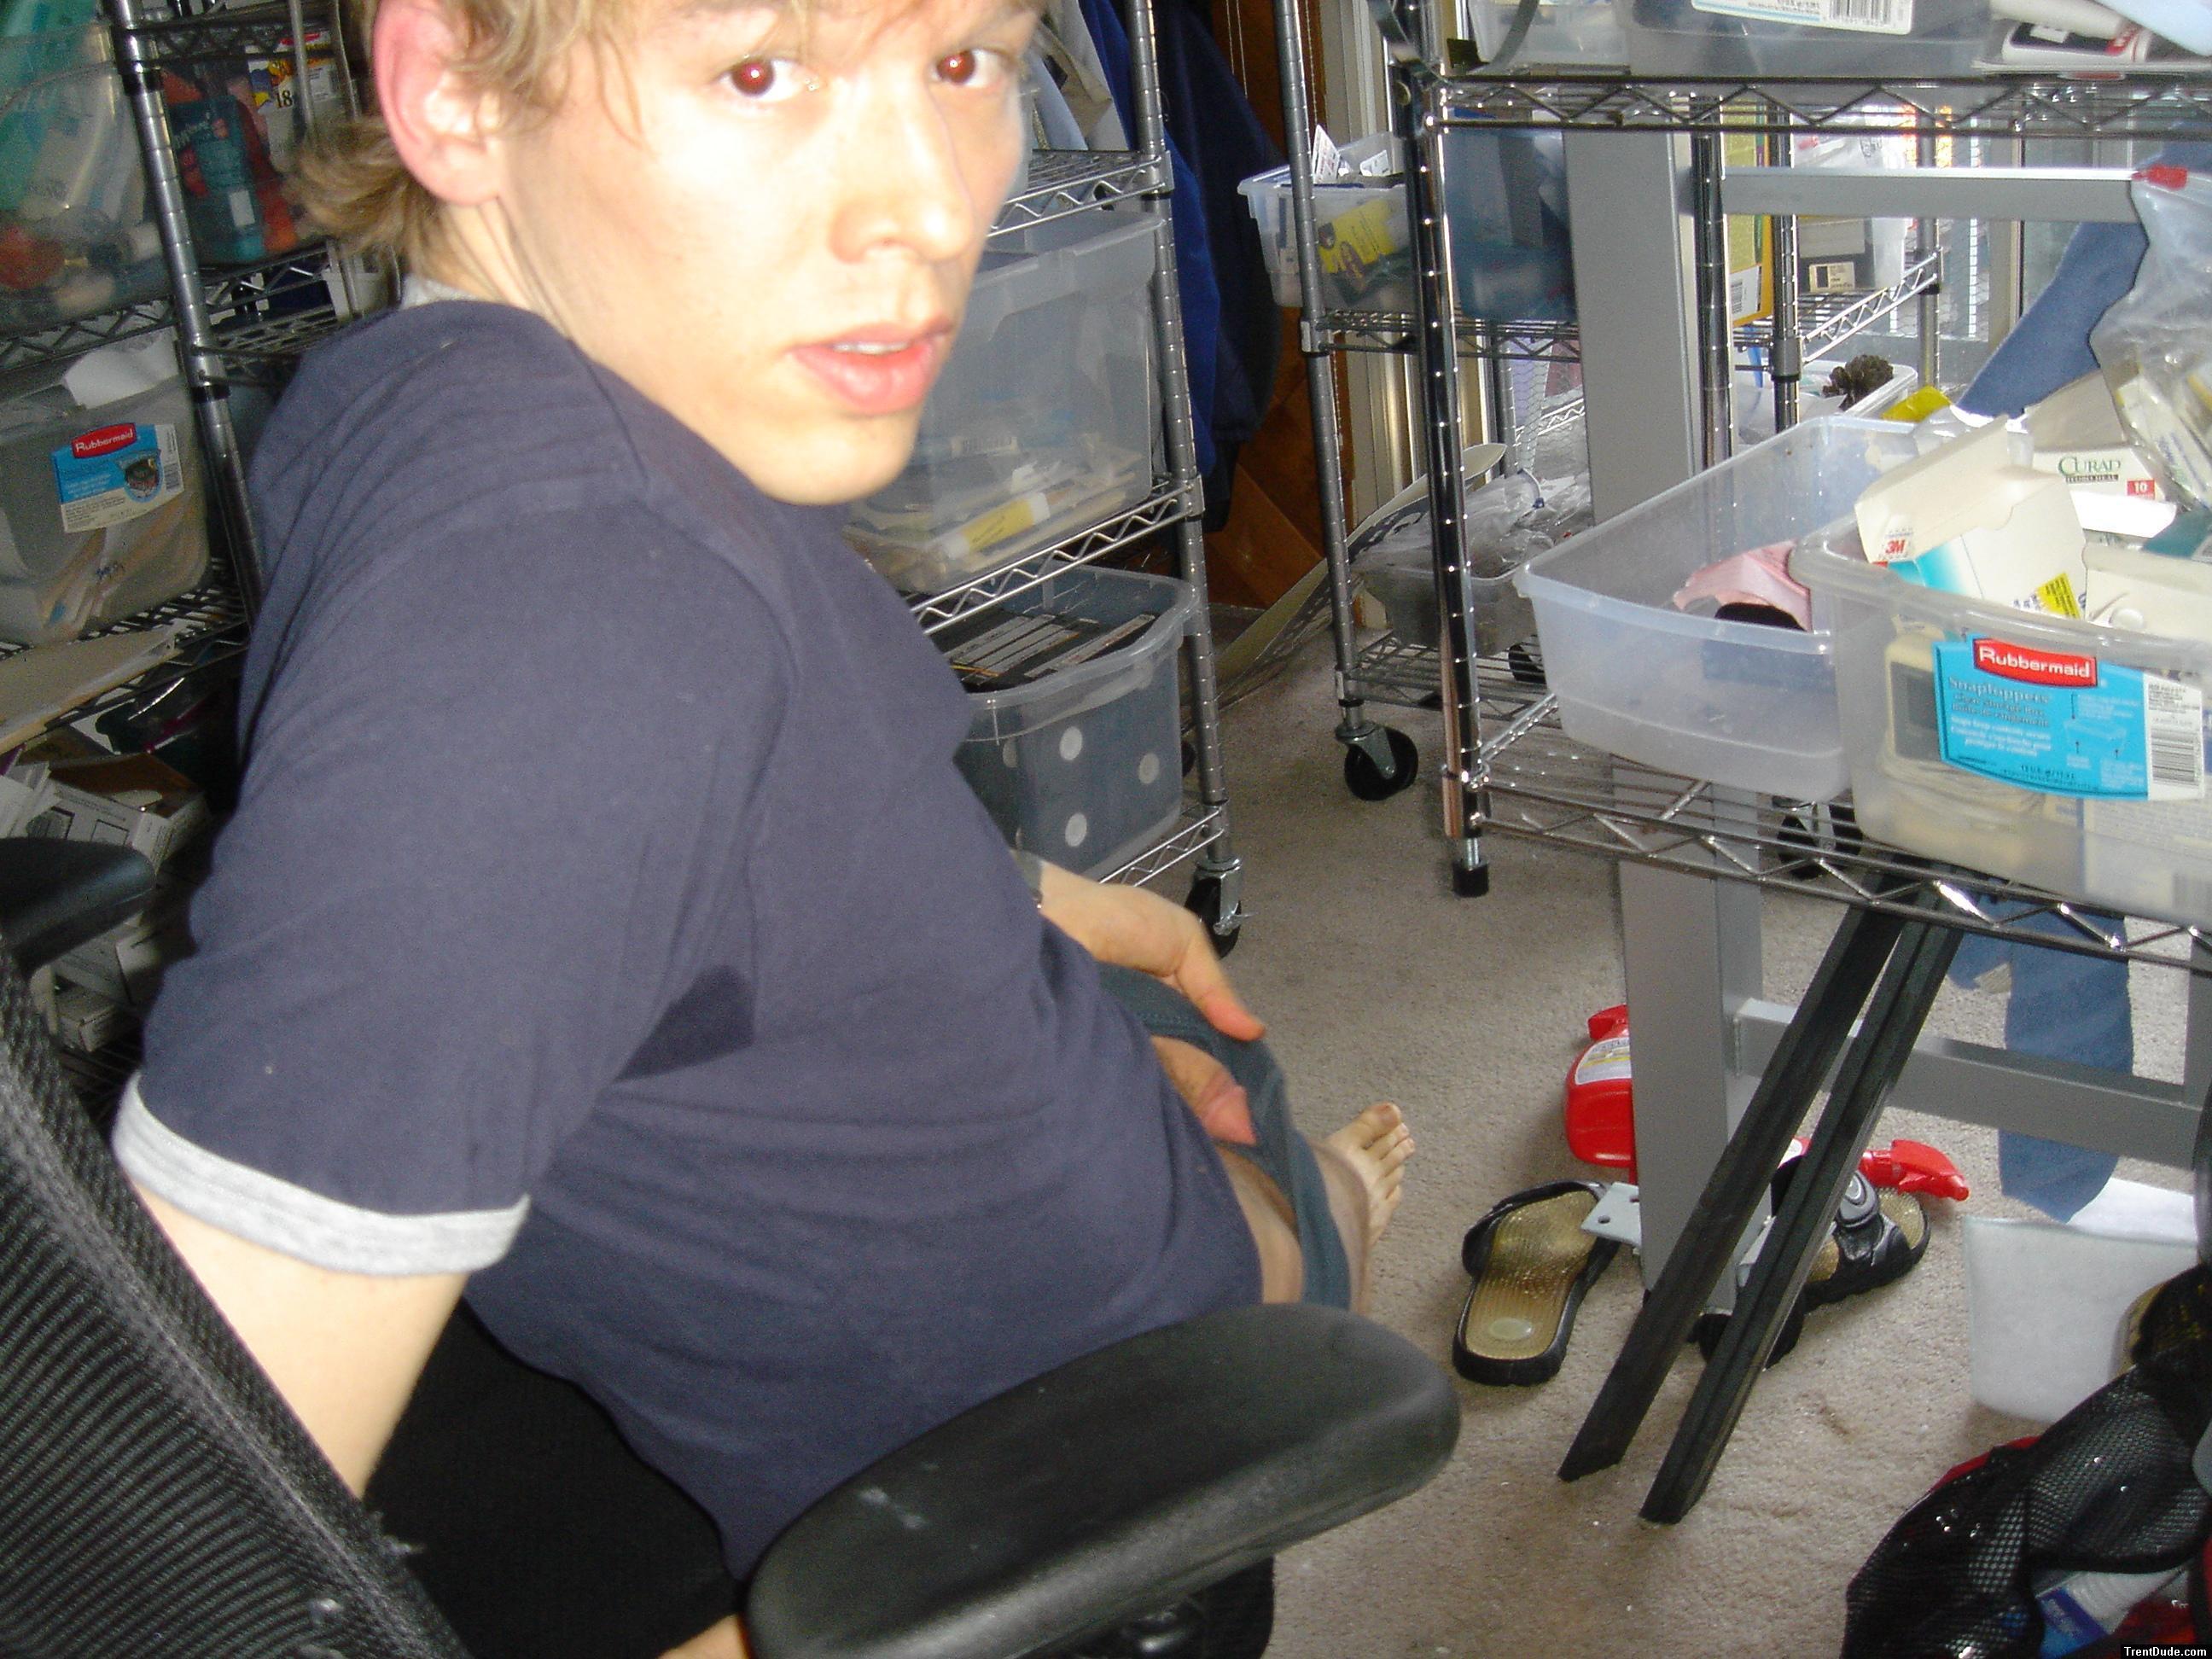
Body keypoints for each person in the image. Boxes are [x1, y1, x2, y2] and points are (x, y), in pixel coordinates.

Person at [108, 0, 1413, 1650]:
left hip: (989, 1050)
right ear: (451, 91)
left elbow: (673, 800)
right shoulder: (563, 616)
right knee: (1285, 1198)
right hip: (1099, 1397)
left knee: (1180, 1054)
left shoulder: (412, 390)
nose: (934, 207)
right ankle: (1326, 1204)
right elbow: (156, 1570)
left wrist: (1016, 893)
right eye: (759, 71)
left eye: (967, 62)